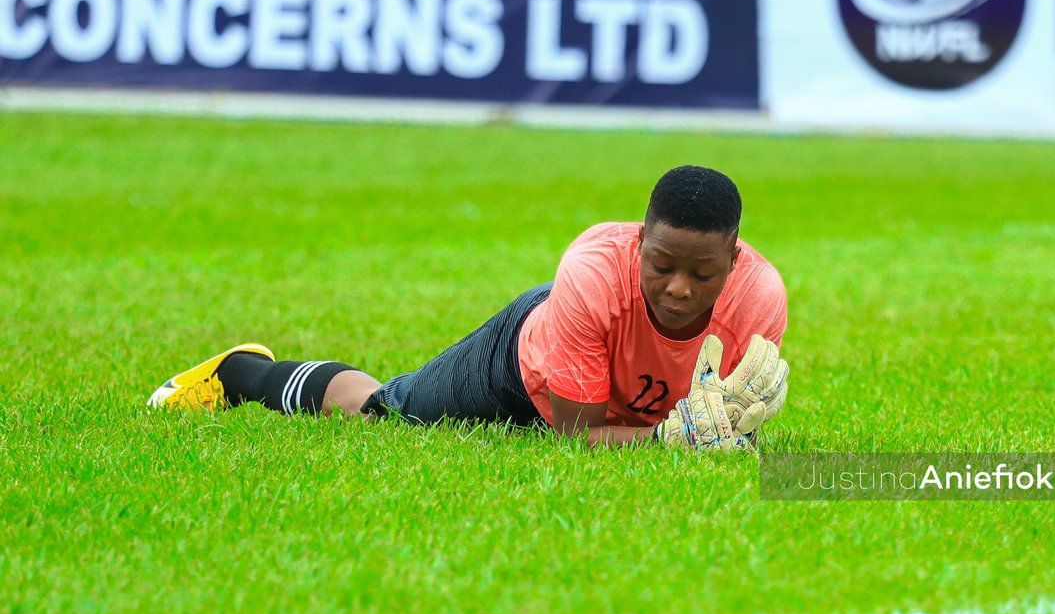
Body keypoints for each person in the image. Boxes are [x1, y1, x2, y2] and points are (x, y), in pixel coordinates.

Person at [148, 165, 790, 450]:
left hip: (627, 404)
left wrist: (723, 434)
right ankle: (240, 374)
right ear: (638, 243)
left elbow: (730, 423)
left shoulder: (760, 299)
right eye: (661, 265)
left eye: (701, 274)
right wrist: (665, 442)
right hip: (524, 366)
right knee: (384, 414)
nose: (678, 288)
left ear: (733, 260)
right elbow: (572, 431)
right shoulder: (594, 272)